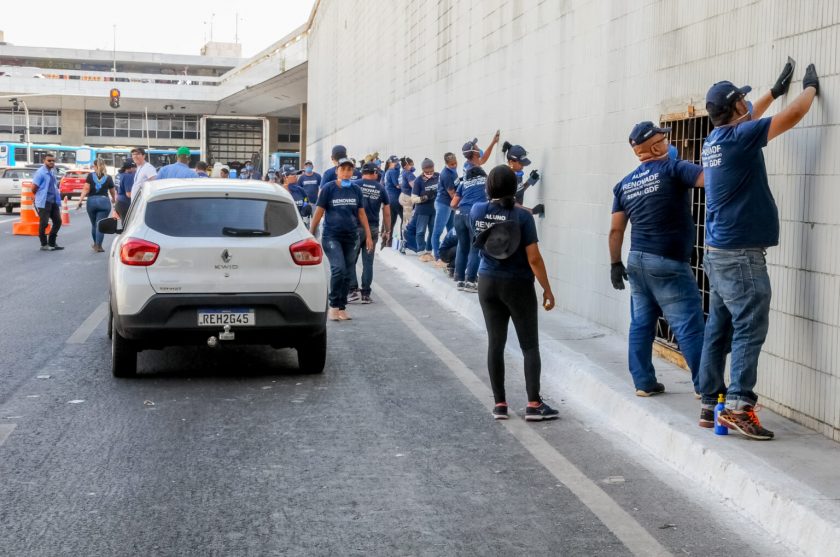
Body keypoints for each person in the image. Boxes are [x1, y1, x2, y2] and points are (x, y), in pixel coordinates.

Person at [698, 61, 818, 441]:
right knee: (750, 325)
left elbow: (749, 117)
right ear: (735, 108)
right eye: (743, 101)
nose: (748, 105)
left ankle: (709, 402)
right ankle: (738, 407)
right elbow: (795, 114)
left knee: (719, 327)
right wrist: (810, 89)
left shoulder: (714, 141)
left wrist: (774, 88)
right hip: (740, 255)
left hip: (717, 251)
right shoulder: (740, 138)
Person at [608, 121, 706, 398]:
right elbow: (711, 179)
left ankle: (643, 383)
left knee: (640, 324)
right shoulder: (674, 168)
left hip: (637, 262)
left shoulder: (624, 184)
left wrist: (615, 264)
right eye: (664, 138)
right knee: (688, 325)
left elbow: (616, 230)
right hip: (668, 264)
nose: (668, 142)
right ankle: (705, 386)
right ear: (656, 146)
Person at [471, 165, 558, 421]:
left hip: (487, 282)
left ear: (488, 187)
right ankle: (533, 403)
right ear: (513, 187)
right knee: (529, 346)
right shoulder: (522, 217)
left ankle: (500, 404)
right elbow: (534, 259)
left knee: (495, 344)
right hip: (517, 284)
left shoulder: (477, 210)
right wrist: (547, 289)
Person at [309, 157, 374, 321]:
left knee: (347, 274)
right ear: (337, 171)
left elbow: (361, 214)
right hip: (332, 236)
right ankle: (333, 305)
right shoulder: (328, 189)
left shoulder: (356, 190)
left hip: (351, 237)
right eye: (343, 169)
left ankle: (342, 306)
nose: (346, 173)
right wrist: (311, 234)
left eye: (349, 170)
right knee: (338, 269)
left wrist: (368, 236)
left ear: (353, 172)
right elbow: (318, 212)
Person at [347, 162, 392, 303]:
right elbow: (387, 212)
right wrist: (387, 230)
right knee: (368, 262)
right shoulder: (380, 188)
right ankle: (366, 294)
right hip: (372, 229)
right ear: (374, 173)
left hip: (355, 228)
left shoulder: (354, 185)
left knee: (350, 260)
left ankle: (353, 290)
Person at [77, 158, 116, 253]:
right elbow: (112, 191)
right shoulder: (109, 177)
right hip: (104, 202)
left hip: (92, 202)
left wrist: (80, 200)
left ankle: (95, 244)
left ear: (95, 166)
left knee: (94, 225)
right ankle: (99, 245)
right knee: (100, 225)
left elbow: (86, 189)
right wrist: (114, 200)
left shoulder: (90, 176)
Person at [502, 141, 544, 216]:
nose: (523, 166)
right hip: (507, 218)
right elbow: (509, 202)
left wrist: (530, 181)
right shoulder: (506, 177)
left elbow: (517, 191)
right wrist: (531, 211)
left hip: (515, 215)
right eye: (521, 163)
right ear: (511, 162)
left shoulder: (518, 173)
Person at [31, 154, 63, 251]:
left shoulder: (52, 171)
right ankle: (44, 244)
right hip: (44, 201)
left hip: (53, 201)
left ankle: (52, 243)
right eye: (49, 160)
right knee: (44, 223)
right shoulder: (40, 172)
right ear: (44, 160)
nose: (51, 162)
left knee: (58, 221)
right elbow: (33, 188)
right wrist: (38, 197)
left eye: (53, 160)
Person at [431, 152, 458, 266]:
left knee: (451, 230)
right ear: (447, 164)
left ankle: (448, 255)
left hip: (450, 205)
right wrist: (460, 205)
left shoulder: (453, 171)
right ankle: (437, 256)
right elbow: (452, 193)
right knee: (438, 231)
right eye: (452, 164)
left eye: (455, 163)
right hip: (444, 204)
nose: (454, 165)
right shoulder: (446, 174)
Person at [411, 158, 439, 262]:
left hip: (434, 210)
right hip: (422, 210)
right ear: (423, 170)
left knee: (433, 231)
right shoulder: (418, 181)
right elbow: (413, 198)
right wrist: (424, 198)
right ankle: (421, 251)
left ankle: (429, 251)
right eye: (427, 172)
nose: (430, 173)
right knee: (420, 231)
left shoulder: (438, 176)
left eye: (431, 171)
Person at [398, 157, 416, 254]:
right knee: (408, 222)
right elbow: (415, 186)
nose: (413, 166)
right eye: (411, 164)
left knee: (405, 220)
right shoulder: (409, 174)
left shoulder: (403, 173)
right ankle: (405, 243)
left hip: (404, 196)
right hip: (408, 199)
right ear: (406, 165)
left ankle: (403, 242)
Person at [383, 155, 402, 244]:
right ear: (390, 163)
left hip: (389, 199)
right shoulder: (393, 171)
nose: (397, 163)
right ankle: (403, 241)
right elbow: (397, 185)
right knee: (404, 220)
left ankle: (387, 241)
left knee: (391, 221)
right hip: (396, 199)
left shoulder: (387, 171)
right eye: (395, 162)